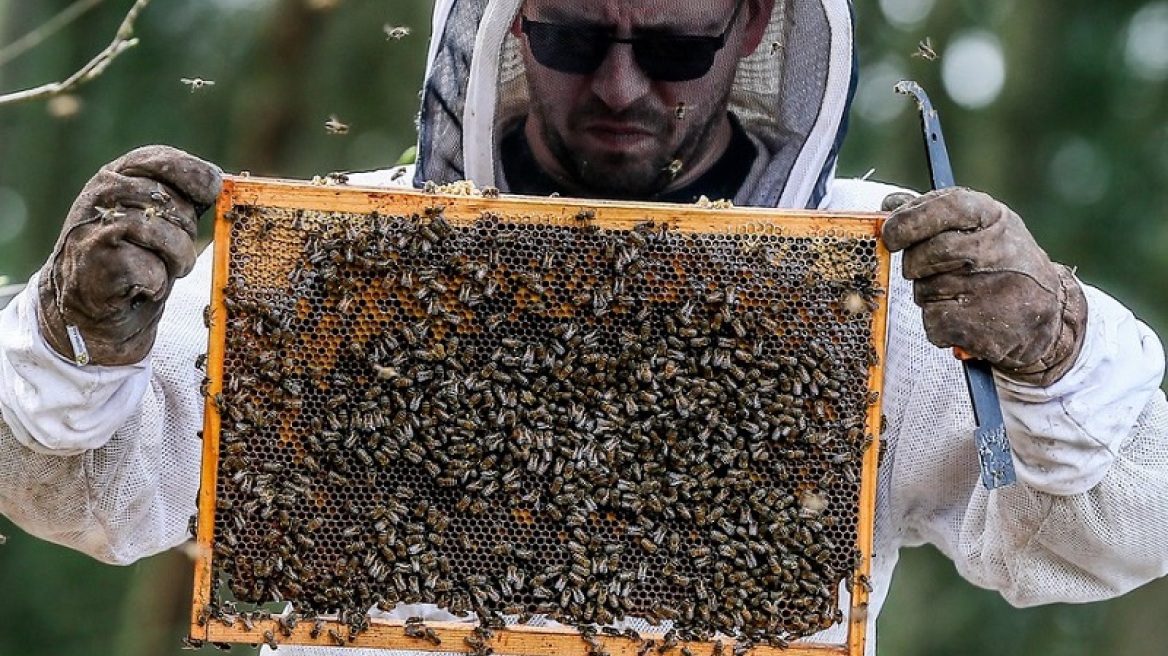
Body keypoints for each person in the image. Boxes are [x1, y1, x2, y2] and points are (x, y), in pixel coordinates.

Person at [2, 0, 1167, 654]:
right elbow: (75, 489)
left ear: (755, 26)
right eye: (570, 38)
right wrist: (76, 332)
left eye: (670, 48)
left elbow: (1118, 532)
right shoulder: (333, 257)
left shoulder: (871, 278)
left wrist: (1053, 349)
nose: (617, 88)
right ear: (509, 28)